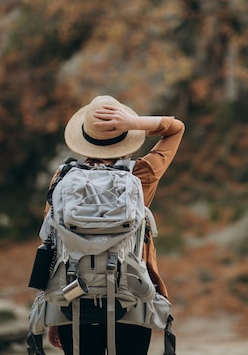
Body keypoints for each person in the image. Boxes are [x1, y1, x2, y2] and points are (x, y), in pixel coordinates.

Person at [45, 95, 185, 355]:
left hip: (73, 301)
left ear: (84, 139)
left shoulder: (62, 181)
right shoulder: (141, 175)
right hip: (131, 299)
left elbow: (52, 244)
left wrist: (54, 314)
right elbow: (176, 128)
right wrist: (134, 122)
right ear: (126, 137)